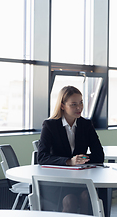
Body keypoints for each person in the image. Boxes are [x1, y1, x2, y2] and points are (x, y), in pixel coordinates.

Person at [37, 85, 104, 214]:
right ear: (62, 105)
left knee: (86, 196)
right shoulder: (50, 125)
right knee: (70, 200)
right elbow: (42, 157)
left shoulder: (86, 125)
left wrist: (80, 159)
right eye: (73, 104)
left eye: (81, 103)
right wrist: (69, 161)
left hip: (80, 180)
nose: (79, 108)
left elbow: (99, 155)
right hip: (57, 182)